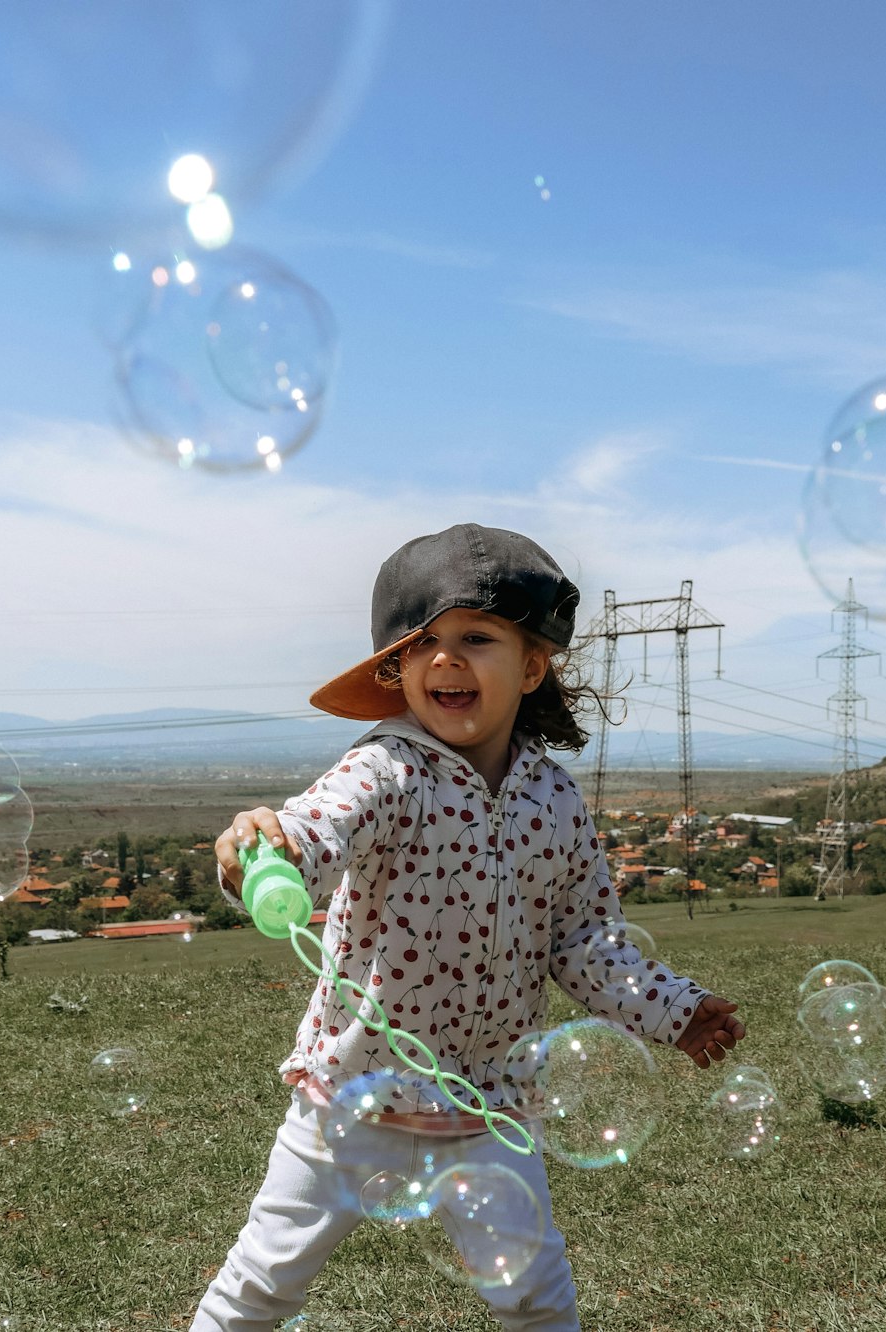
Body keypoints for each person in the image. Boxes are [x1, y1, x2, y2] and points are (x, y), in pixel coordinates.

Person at [190, 523, 745, 1332]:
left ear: (531, 665)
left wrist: (675, 1010)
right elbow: (320, 831)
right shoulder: (385, 769)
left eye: (476, 638)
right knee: (263, 1283)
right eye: (424, 643)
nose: (446, 659)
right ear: (398, 670)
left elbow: (587, 942)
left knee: (535, 1295)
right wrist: (266, 849)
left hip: (490, 1106)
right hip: (348, 1098)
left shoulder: (555, 801)